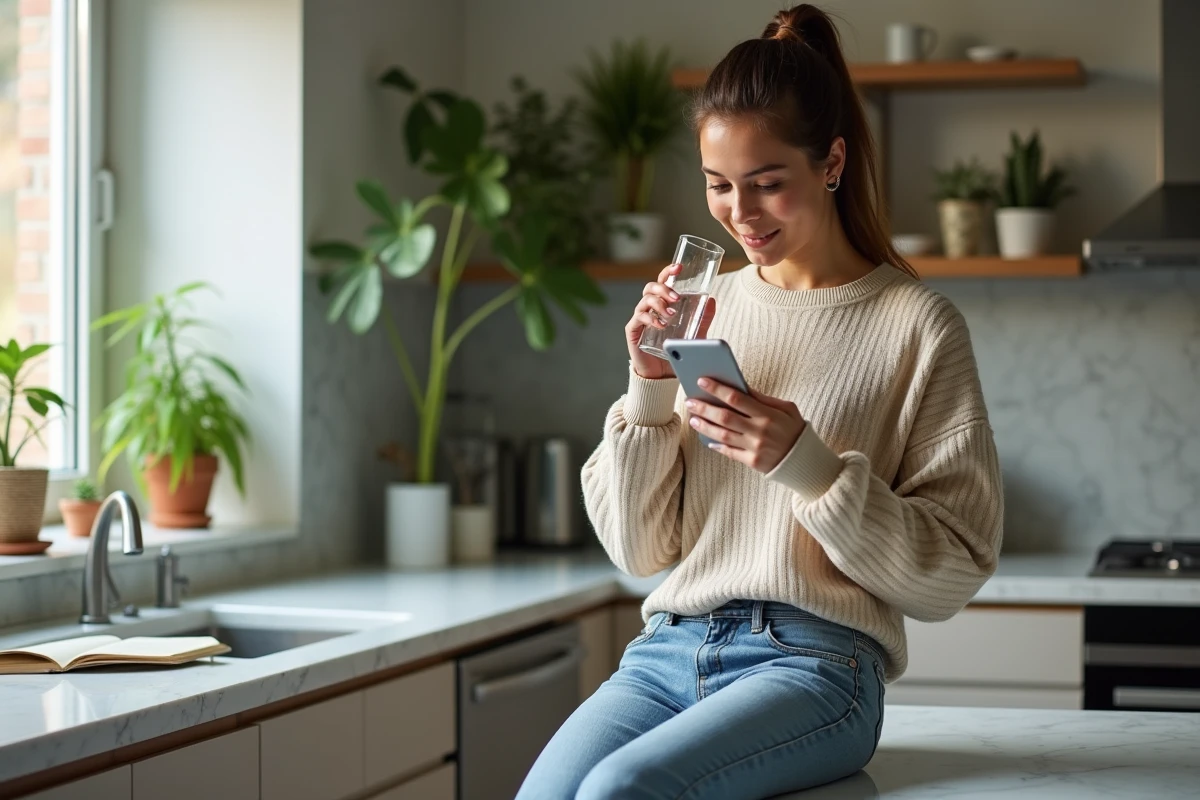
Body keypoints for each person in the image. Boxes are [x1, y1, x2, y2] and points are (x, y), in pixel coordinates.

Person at [515, 5, 1003, 798]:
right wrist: (648, 386)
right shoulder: (707, 308)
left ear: (832, 161)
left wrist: (806, 467)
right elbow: (639, 552)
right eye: (718, 186)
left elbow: (951, 573)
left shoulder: (917, 325)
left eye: (768, 184)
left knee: (620, 790)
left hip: (819, 663)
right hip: (668, 651)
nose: (740, 212)